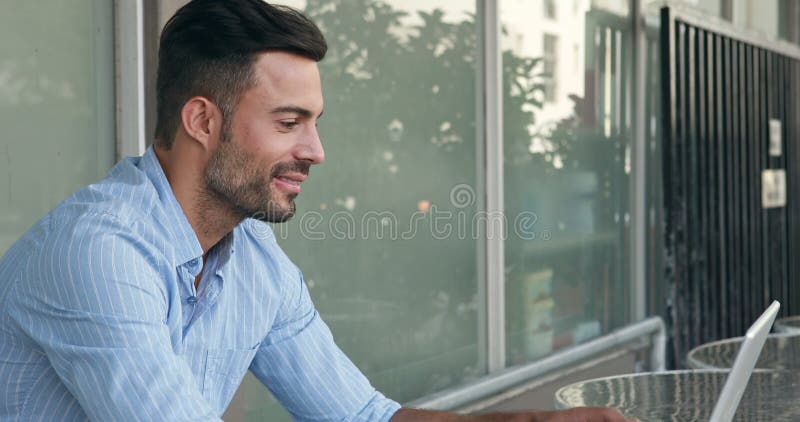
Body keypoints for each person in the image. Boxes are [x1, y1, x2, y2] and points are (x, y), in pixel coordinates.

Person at [0, 1, 634, 420]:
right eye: (288, 122)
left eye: (314, 122)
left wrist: (540, 421)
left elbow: (361, 417)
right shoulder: (98, 253)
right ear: (202, 120)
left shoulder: (251, 259)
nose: (315, 151)